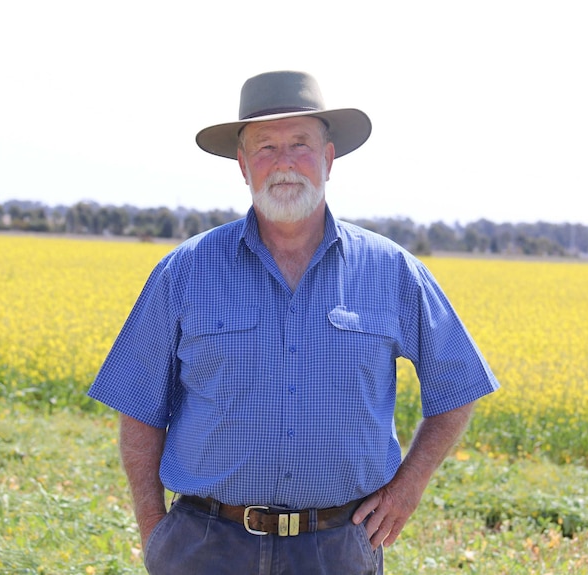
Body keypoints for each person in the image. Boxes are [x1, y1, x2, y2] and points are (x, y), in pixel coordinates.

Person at [88, 70, 500, 575]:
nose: (284, 162)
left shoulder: (390, 270)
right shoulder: (184, 271)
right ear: (243, 165)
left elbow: (458, 384)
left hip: (337, 549)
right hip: (205, 544)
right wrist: (157, 534)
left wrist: (409, 486)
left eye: (301, 144)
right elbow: (139, 409)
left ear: (328, 158)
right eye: (265, 147)